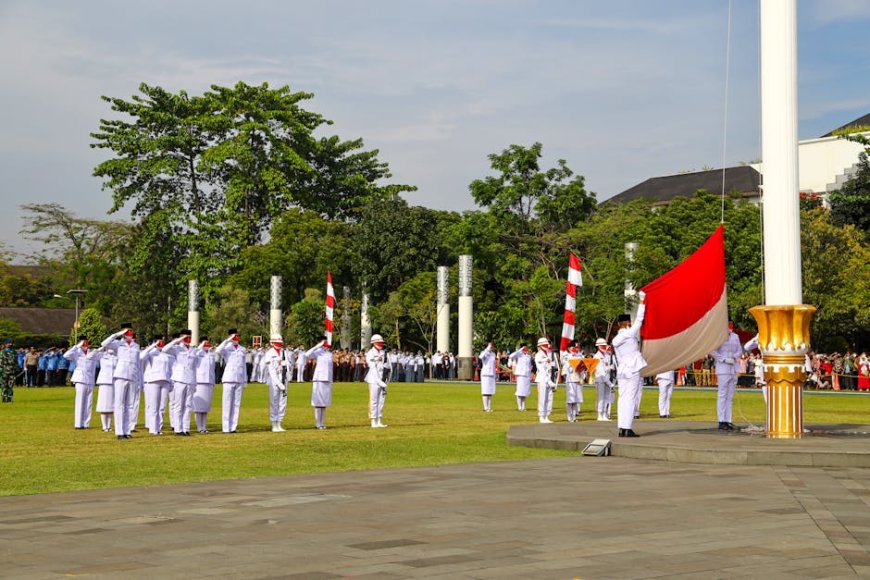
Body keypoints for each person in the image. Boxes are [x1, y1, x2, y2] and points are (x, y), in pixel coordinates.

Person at [613, 292, 646, 437]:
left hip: (622, 370)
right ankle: (627, 427)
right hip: (632, 368)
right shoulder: (628, 334)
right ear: (627, 323)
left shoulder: (616, 338)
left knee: (623, 398)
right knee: (631, 398)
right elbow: (640, 319)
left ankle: (622, 427)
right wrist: (642, 301)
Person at [100, 323, 140, 440]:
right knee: (119, 404)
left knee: (129, 404)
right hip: (121, 374)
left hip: (132, 375)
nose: (129, 334)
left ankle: (127, 431)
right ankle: (119, 431)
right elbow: (104, 343)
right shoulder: (118, 344)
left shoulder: (135, 346)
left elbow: (137, 363)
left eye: (130, 331)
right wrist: (118, 334)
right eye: (127, 332)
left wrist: (138, 379)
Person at [710, 320, 744, 431]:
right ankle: (721, 420)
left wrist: (734, 356)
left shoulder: (735, 336)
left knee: (730, 396)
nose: (730, 327)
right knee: (722, 395)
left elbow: (739, 350)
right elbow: (712, 350)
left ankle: (728, 420)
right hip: (723, 368)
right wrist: (723, 358)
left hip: (733, 367)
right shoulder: (719, 336)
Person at [163, 330, 197, 436]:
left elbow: (194, 367)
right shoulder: (177, 348)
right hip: (179, 379)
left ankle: (186, 428)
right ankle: (178, 429)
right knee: (178, 405)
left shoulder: (193, 350)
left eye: (189, 337)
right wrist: (179, 340)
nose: (188, 339)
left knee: (188, 405)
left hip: (190, 379)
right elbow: (164, 349)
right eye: (186, 337)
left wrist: (195, 381)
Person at [64, 337, 101, 428]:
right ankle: (78, 424)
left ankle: (86, 424)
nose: (85, 345)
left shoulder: (91, 353)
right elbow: (66, 355)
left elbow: (101, 355)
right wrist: (76, 346)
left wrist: (100, 349)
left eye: (86, 343)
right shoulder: (76, 353)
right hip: (80, 379)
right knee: (80, 401)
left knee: (89, 402)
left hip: (90, 379)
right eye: (83, 343)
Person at [140, 335, 174, 435]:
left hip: (165, 380)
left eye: (162, 341)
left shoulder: (165, 354)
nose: (161, 343)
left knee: (162, 406)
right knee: (154, 406)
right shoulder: (150, 352)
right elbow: (141, 357)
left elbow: (169, 369)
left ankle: (158, 428)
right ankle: (152, 428)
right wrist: (153, 346)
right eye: (159, 342)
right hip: (152, 381)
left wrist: (171, 381)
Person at [215, 329, 247, 433]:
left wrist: (245, 380)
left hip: (239, 378)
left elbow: (244, 365)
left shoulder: (242, 349)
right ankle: (226, 428)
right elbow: (217, 351)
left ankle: (233, 427)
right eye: (234, 336)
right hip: (229, 378)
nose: (236, 338)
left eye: (237, 336)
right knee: (227, 402)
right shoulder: (226, 348)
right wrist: (227, 340)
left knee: (236, 404)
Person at [261, 333, 291, 432]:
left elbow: (287, 365)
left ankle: (279, 422)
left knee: (283, 402)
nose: (278, 344)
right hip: (274, 380)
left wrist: (288, 377)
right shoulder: (269, 353)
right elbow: (271, 370)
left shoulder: (284, 352)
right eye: (277, 342)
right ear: (272, 342)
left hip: (284, 378)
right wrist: (278, 383)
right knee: (274, 401)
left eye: (280, 342)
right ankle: (274, 424)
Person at [306, 336, 334, 430]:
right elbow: (307, 355)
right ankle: (318, 423)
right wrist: (316, 346)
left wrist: (331, 380)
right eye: (323, 342)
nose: (325, 344)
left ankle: (322, 423)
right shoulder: (317, 352)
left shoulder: (329, 354)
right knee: (318, 402)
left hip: (327, 379)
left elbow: (330, 368)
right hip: (319, 379)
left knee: (324, 403)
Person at [365, 334, 389, 428]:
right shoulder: (370, 353)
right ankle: (373, 421)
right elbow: (372, 367)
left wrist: (386, 379)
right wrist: (379, 381)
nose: (380, 344)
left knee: (381, 400)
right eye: (379, 342)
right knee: (374, 400)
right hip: (374, 380)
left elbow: (387, 366)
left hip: (383, 379)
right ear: (373, 343)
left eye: (381, 342)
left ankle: (379, 420)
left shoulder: (383, 352)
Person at [534, 337, 557, 423]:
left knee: (549, 397)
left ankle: (547, 415)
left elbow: (551, 366)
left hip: (549, 378)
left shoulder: (549, 353)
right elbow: (541, 368)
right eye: (544, 344)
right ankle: (541, 416)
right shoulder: (538, 355)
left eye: (546, 344)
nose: (546, 345)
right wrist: (546, 360)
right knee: (542, 398)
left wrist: (554, 364)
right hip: (542, 379)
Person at [94, 347, 116, 432]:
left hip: (113, 381)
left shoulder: (116, 357)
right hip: (104, 381)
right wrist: (102, 348)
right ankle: (104, 426)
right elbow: (93, 354)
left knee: (111, 405)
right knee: (103, 404)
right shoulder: (102, 355)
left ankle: (109, 425)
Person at [562, 341, 584, 422]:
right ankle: (569, 416)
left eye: (574, 348)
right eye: (572, 348)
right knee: (570, 399)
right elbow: (566, 366)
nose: (574, 349)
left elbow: (582, 368)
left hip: (577, 378)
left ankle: (574, 416)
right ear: (569, 348)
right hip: (570, 379)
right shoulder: (567, 356)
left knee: (576, 399)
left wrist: (582, 377)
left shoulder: (579, 356)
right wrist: (572, 364)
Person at [592, 338, 614, 421]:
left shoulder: (607, 355)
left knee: (607, 397)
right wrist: (608, 382)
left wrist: (610, 367)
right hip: (600, 379)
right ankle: (599, 414)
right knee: (600, 397)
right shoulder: (597, 356)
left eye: (605, 345)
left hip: (607, 378)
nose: (605, 347)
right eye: (602, 346)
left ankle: (604, 413)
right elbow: (600, 370)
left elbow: (607, 367)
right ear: (598, 347)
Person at [508, 344, 532, 411]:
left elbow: (529, 366)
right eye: (524, 348)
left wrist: (530, 374)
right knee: (520, 391)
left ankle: (523, 406)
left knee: (525, 392)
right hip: (521, 375)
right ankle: (519, 407)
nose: (526, 349)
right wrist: (520, 349)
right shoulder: (519, 354)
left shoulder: (528, 356)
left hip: (526, 375)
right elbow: (511, 356)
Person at [479, 341, 497, 412]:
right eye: (490, 346)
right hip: (485, 374)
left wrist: (495, 375)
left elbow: (493, 365)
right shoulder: (484, 352)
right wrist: (487, 349)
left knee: (490, 391)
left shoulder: (493, 354)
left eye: (492, 346)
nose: (491, 347)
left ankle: (489, 407)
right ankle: (485, 407)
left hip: (491, 373)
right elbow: (481, 357)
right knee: (485, 391)